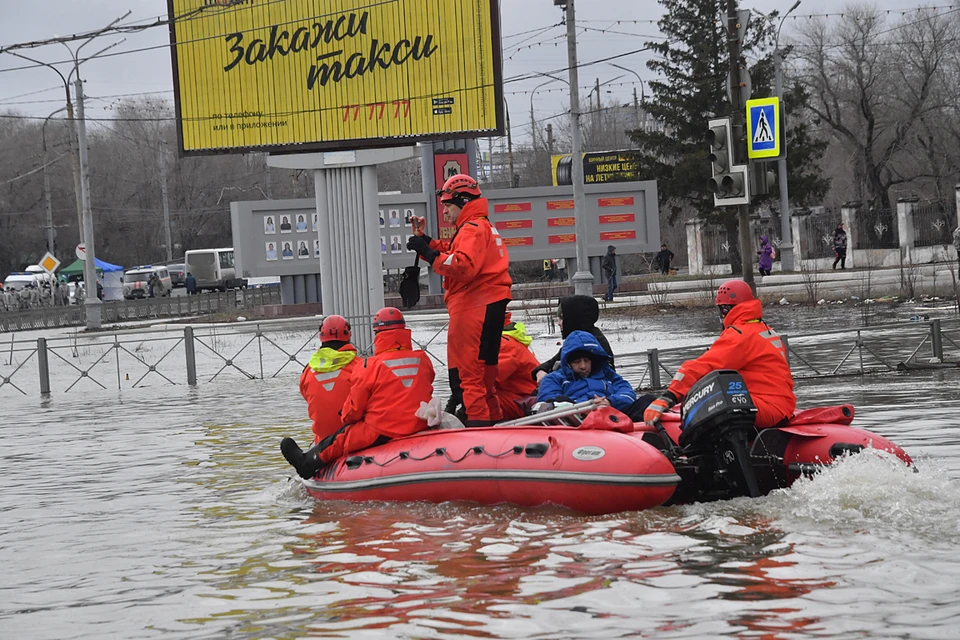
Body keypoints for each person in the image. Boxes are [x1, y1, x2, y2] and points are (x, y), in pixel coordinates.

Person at [407, 173, 512, 426]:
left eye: (449, 206)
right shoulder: (481, 226)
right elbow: (455, 252)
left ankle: (478, 431)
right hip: (490, 304)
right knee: (485, 377)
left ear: (463, 201)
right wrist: (428, 244)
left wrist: (429, 255)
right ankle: (493, 423)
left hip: (473, 305)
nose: (446, 213)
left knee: (469, 376)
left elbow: (463, 265)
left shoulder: (472, 228)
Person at [280, 307, 435, 479]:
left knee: (342, 438)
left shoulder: (365, 366)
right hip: (419, 424)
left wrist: (346, 418)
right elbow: (428, 382)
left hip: (382, 429)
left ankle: (308, 464)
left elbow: (353, 410)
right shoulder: (423, 358)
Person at [643, 279, 796, 429]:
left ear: (725, 309)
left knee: (717, 396)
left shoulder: (738, 336)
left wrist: (669, 396)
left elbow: (704, 366)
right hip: (783, 406)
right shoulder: (764, 329)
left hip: (766, 407)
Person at [537, 330, 653, 421]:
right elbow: (548, 405)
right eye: (577, 362)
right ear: (568, 363)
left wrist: (610, 401)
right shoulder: (553, 379)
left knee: (648, 400)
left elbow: (628, 393)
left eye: (586, 361)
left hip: (613, 415)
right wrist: (587, 405)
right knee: (559, 401)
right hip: (577, 422)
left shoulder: (607, 374)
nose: (583, 366)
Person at [299, 315, 363, 444]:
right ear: (348, 334)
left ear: (321, 336)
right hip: (353, 438)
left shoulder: (308, 371)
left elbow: (308, 397)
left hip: (322, 441)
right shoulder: (359, 366)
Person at [533, 295, 614, 382]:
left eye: (561, 318)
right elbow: (555, 360)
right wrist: (541, 369)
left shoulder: (591, 343)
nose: (558, 323)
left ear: (572, 319)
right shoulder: (577, 339)